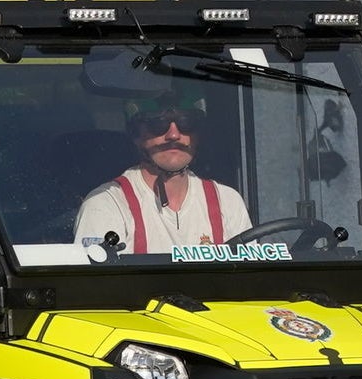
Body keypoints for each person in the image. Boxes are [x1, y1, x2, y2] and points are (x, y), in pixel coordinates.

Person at [71, 94, 253, 259]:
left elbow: (249, 283)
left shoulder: (227, 202)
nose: (174, 135)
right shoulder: (106, 205)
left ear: (197, 135)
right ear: (136, 135)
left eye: (186, 122)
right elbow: (99, 290)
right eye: (157, 124)